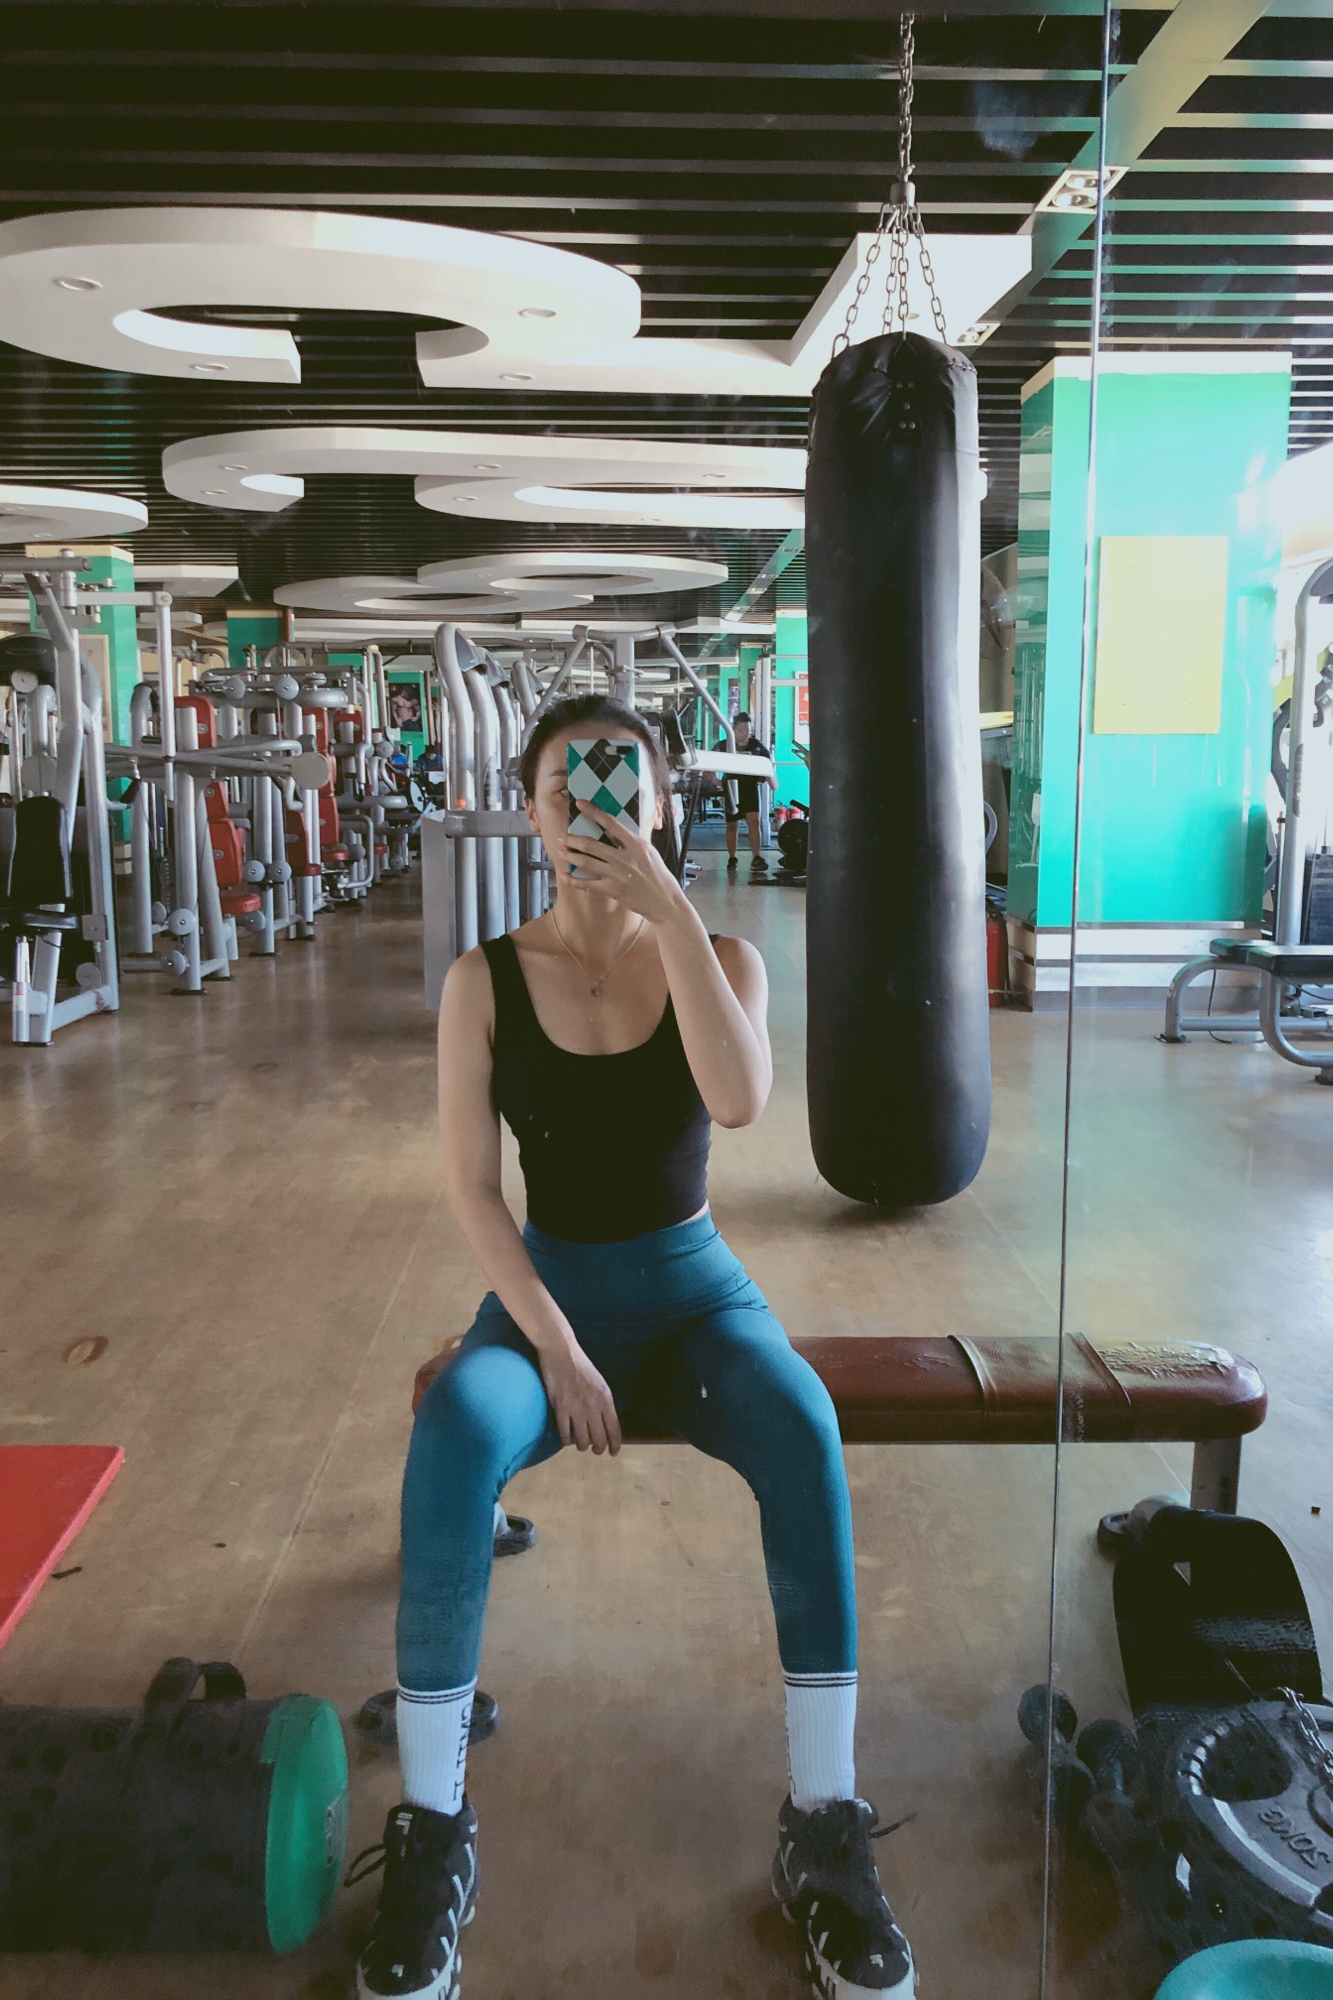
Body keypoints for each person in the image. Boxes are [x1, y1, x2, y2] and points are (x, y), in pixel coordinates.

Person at [352, 692, 915, 2000]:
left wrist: (668, 913)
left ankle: (824, 1818)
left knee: (804, 1425)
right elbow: (473, 1191)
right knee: (454, 1428)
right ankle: (433, 1828)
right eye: (566, 794)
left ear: (661, 806)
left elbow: (741, 1099)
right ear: (531, 815)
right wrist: (554, 1347)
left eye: (618, 791)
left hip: (696, 1300)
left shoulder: (723, 956)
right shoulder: (483, 980)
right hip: (546, 1302)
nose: (590, 816)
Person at [716, 710, 773, 876]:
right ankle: (732, 857)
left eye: (747, 730)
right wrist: (717, 782)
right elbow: (708, 764)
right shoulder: (724, 745)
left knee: (754, 822)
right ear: (734, 730)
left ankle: (757, 857)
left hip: (749, 788)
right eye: (741, 730)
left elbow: (768, 764)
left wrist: (767, 780)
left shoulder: (756, 746)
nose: (744, 733)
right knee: (732, 825)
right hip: (731, 788)